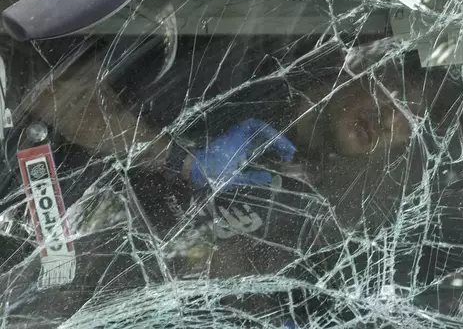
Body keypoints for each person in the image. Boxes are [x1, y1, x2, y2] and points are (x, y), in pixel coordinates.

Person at [0, 33, 429, 326]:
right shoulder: (245, 74)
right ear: (369, 72)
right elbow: (53, 91)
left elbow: (217, 258)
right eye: (399, 103)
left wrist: (253, 305)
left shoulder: (303, 209)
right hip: (25, 193)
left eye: (403, 134)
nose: (391, 124)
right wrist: (175, 157)